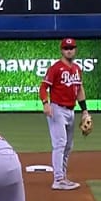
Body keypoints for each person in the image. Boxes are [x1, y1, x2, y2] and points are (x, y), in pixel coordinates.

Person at [40, 37, 92, 190]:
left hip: (71, 110)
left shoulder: (77, 69)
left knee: (68, 145)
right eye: (66, 48)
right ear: (62, 50)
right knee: (60, 143)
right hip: (57, 109)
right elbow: (43, 87)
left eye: (72, 48)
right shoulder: (55, 68)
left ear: (75, 50)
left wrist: (85, 111)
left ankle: (62, 176)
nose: (69, 51)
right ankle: (58, 179)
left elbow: (79, 90)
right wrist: (45, 103)